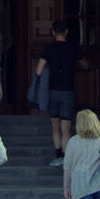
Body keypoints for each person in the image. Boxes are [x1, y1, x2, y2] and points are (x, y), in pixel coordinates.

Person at [35, 19, 88, 167]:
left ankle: (58, 155)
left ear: (53, 32)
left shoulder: (49, 48)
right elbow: (85, 64)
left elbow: (39, 70)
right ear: (66, 32)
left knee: (55, 126)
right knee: (66, 127)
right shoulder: (73, 48)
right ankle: (66, 157)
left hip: (53, 90)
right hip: (68, 91)